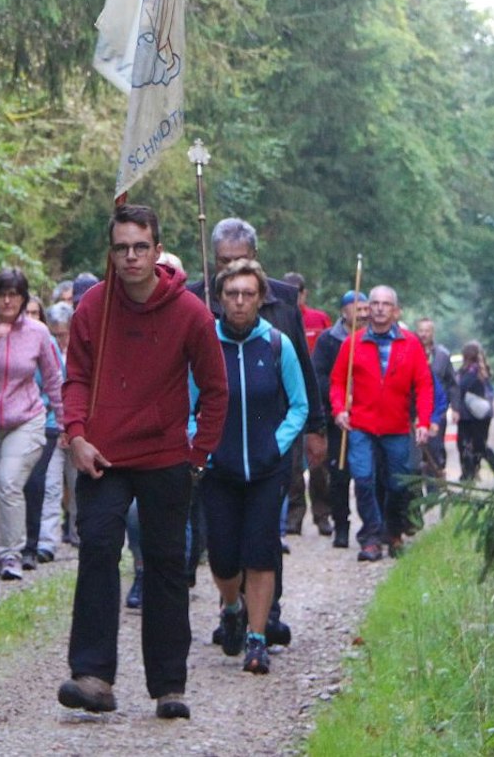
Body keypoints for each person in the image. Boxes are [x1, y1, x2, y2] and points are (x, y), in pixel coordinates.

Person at [56, 203, 228, 721]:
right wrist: (76, 435)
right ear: (110, 254)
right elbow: (76, 377)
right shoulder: (93, 307)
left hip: (165, 456)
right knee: (97, 548)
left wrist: (198, 454)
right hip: (102, 454)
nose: (130, 257)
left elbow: (215, 390)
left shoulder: (190, 312)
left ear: (157, 250)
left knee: (166, 563)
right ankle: (92, 676)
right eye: (121, 248)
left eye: (139, 247)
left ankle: (169, 684)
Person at [184, 218, 325, 648]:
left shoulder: (282, 301)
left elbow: (303, 372)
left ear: (255, 259)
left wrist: (314, 428)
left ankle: (265, 619)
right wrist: (196, 442)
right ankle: (232, 608)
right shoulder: (195, 300)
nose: (231, 268)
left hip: (271, 436)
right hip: (220, 446)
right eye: (223, 261)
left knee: (264, 535)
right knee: (223, 541)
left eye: (239, 259)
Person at [196, 259, 307, 676]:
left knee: (261, 553)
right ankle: (232, 607)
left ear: (261, 299)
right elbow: (186, 403)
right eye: (232, 294)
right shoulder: (204, 344)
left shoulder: (277, 345)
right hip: (218, 468)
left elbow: (299, 405)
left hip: (266, 469)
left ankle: (257, 639)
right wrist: (201, 446)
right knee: (223, 558)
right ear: (220, 299)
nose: (240, 302)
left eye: (248, 294)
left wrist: (276, 445)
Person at [0, 268, 64, 581]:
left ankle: (12, 554)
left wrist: (65, 422)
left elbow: (53, 378)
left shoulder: (38, 333)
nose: (7, 301)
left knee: (8, 482)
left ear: (23, 299)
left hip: (26, 419)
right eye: (1, 295)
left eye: (14, 295)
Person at [328, 285, 433, 562]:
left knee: (398, 484)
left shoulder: (410, 343)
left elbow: (424, 385)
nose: (379, 308)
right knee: (363, 479)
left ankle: (394, 532)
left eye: (386, 304)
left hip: (397, 426)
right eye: (374, 303)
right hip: (361, 425)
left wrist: (423, 421)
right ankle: (371, 537)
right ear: (368, 309)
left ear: (395, 311)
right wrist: (339, 409)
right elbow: (337, 381)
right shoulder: (353, 343)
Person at [310, 291, 365, 549]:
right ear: (344, 311)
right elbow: (318, 375)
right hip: (338, 417)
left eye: (364, 309)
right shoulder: (328, 341)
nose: (362, 314)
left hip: (368, 417)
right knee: (339, 474)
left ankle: (372, 527)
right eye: (356, 308)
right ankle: (341, 525)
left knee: (367, 474)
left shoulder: (373, 339)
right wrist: (339, 395)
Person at [24, 299, 76, 565]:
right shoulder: (44, 347)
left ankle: (78, 529)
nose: (59, 338)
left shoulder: (83, 348)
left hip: (78, 427)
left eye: (63, 333)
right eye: (55, 333)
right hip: (51, 425)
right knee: (51, 484)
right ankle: (46, 541)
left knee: (77, 484)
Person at [283, 272, 335, 538]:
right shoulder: (277, 317)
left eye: (297, 293)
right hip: (287, 398)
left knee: (318, 462)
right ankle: (294, 515)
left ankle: (322, 514)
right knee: (292, 463)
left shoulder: (319, 319)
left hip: (314, 396)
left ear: (304, 294)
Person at [454, 340, 494, 485]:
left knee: (469, 445)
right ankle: (470, 473)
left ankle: (473, 474)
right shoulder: (481, 371)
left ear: (465, 355)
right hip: (481, 415)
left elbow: (461, 388)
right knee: (476, 445)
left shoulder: (471, 372)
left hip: (470, 415)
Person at [415, 318, 455, 479]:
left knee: (434, 449)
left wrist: (452, 408)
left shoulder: (442, 355)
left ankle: (436, 480)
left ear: (433, 333)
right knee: (416, 455)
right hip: (415, 413)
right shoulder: (410, 352)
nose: (424, 334)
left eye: (427, 331)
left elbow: (452, 384)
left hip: (436, 411)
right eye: (421, 330)